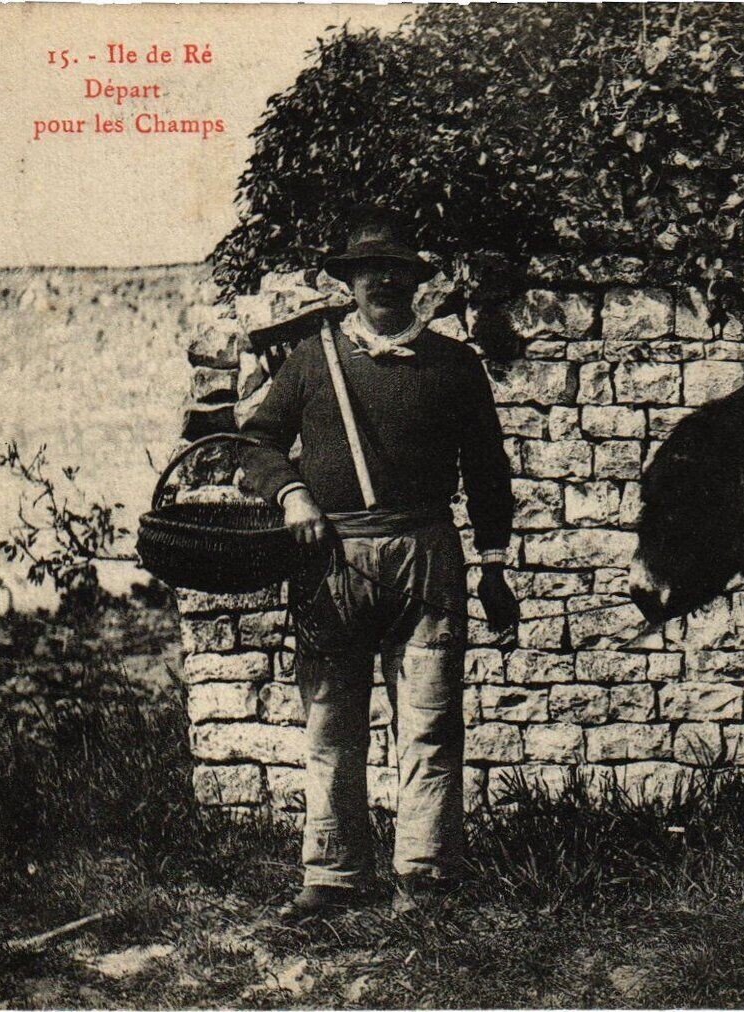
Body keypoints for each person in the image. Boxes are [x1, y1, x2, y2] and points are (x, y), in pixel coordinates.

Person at [238, 209, 520, 922]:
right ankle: (334, 875)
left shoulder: (454, 365)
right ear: (351, 282)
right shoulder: (314, 360)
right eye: (370, 271)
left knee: (429, 724)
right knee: (331, 722)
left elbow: (488, 470)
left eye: (397, 270)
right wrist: (293, 493)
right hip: (330, 563)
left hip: (427, 558)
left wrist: (492, 564)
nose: (384, 282)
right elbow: (256, 445)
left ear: (416, 281)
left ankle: (424, 877)